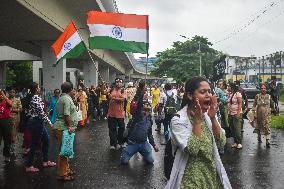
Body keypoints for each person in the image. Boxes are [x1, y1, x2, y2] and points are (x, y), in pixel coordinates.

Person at [165, 77, 231, 189]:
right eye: (202, 92)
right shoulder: (178, 120)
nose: (208, 95)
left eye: (209, 91)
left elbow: (221, 143)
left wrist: (213, 118)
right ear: (190, 96)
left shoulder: (208, 116)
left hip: (211, 179)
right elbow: (192, 149)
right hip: (190, 181)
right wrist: (197, 122)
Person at [121, 81, 159, 164]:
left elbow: (149, 134)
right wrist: (141, 93)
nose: (147, 107)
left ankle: (144, 152)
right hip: (133, 143)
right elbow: (138, 106)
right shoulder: (138, 115)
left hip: (143, 144)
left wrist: (154, 145)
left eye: (148, 106)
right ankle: (126, 151)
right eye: (145, 105)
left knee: (150, 160)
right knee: (124, 161)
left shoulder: (150, 120)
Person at [25, 82, 56, 172]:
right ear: (36, 89)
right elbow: (41, 113)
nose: (39, 88)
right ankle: (29, 165)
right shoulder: (35, 98)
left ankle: (45, 161)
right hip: (36, 122)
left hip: (36, 122)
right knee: (34, 144)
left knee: (46, 140)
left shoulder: (31, 97)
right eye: (38, 87)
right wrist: (50, 123)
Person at [54, 82, 78, 181]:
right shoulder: (66, 99)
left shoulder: (62, 98)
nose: (74, 91)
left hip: (61, 127)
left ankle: (67, 169)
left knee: (66, 149)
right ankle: (63, 174)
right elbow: (66, 114)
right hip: (64, 128)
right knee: (63, 152)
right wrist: (69, 126)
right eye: (73, 89)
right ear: (70, 89)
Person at [107, 78, 127, 150]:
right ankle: (113, 143)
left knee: (121, 128)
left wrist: (113, 98)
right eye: (117, 82)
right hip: (111, 113)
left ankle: (119, 142)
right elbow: (104, 92)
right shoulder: (111, 89)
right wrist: (104, 87)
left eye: (120, 82)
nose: (118, 83)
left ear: (122, 83)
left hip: (120, 114)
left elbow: (123, 99)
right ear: (115, 83)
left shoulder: (123, 90)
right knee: (112, 129)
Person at [228, 83, 243, 149]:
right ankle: (235, 142)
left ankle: (239, 143)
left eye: (229, 86)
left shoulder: (238, 94)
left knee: (237, 128)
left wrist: (238, 113)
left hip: (236, 113)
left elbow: (240, 104)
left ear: (232, 87)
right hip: (230, 113)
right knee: (232, 128)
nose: (228, 87)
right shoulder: (231, 94)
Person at [8, 88, 22, 154]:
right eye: (11, 92)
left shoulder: (17, 100)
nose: (12, 93)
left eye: (13, 92)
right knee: (9, 132)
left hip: (15, 118)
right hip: (7, 118)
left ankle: (12, 145)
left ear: (15, 93)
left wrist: (12, 110)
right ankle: (9, 145)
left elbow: (20, 109)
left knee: (14, 132)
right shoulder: (6, 100)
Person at [0, 89, 13, 162]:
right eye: (0, 94)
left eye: (2, 94)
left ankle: (7, 156)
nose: (1, 96)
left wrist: (4, 95)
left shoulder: (6, 102)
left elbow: (11, 104)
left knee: (7, 140)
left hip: (6, 121)